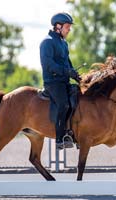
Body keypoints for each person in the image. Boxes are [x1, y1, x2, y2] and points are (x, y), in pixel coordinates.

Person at [39, 12, 81, 150]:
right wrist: (66, 71)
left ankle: (72, 133)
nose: (69, 30)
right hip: (53, 83)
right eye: (67, 27)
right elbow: (48, 65)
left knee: (78, 97)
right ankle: (59, 139)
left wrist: (75, 74)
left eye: (69, 27)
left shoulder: (64, 43)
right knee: (64, 104)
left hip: (64, 82)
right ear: (58, 26)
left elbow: (67, 63)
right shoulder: (47, 42)